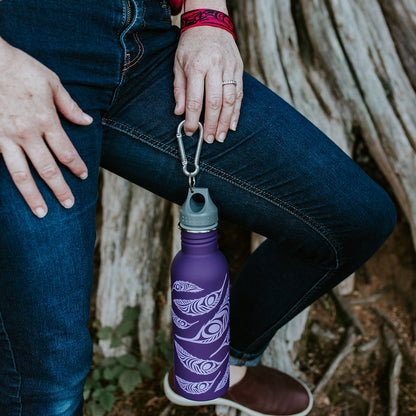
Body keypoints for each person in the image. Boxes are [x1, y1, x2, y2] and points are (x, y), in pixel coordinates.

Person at [0, 0, 396, 415]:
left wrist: (207, 15)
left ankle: (214, 362)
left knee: (353, 217)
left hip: (146, 43)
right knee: (50, 384)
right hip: (23, 60)